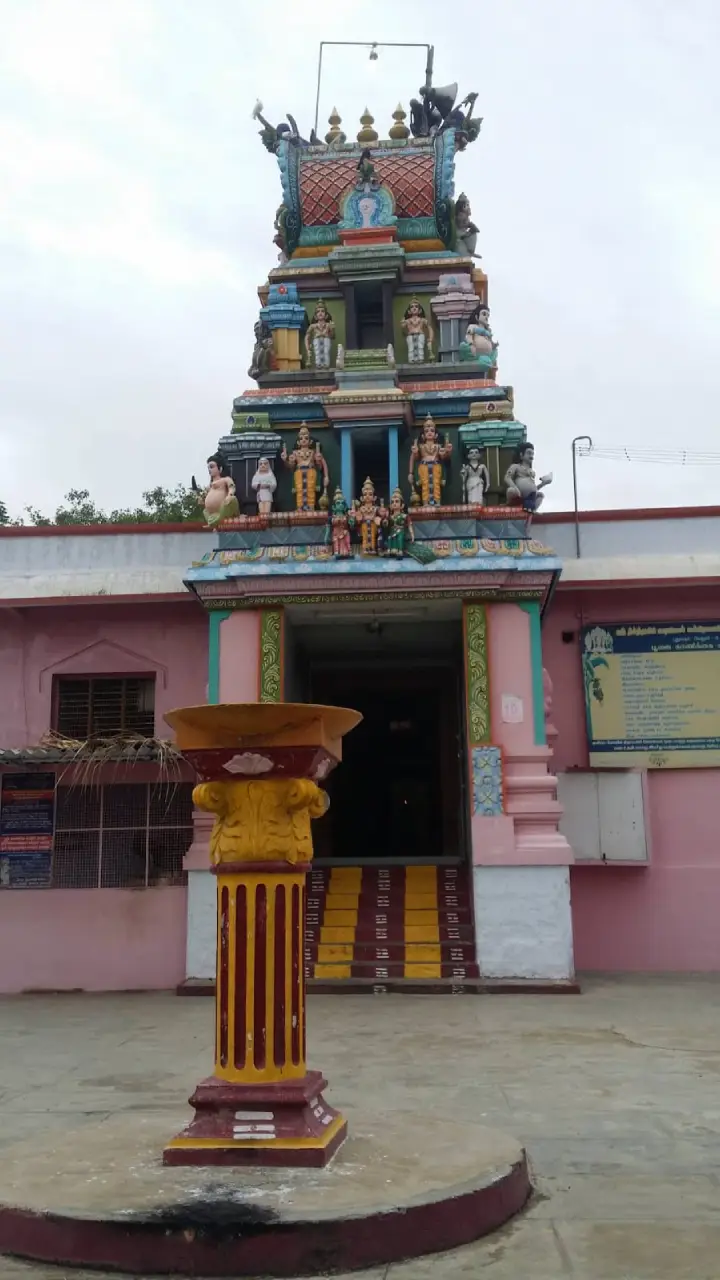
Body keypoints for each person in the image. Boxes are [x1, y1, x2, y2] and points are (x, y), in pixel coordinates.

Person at [505, 443, 553, 512]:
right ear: (521, 455)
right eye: (529, 453)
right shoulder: (515, 466)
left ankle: (532, 511)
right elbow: (507, 477)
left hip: (529, 498)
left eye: (532, 454)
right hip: (517, 495)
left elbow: (534, 489)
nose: (531, 456)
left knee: (540, 495)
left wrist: (544, 483)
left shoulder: (532, 472)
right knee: (511, 491)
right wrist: (516, 489)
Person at [200, 454, 239, 527]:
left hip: (223, 510)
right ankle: (213, 522)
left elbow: (232, 487)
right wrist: (202, 501)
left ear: (220, 468)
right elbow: (206, 499)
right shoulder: (209, 486)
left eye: (211, 467)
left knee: (233, 499)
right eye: (208, 467)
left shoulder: (225, 479)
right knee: (205, 510)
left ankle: (216, 522)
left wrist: (230, 495)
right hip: (212, 514)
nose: (209, 469)